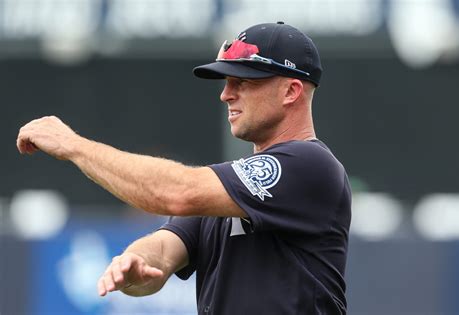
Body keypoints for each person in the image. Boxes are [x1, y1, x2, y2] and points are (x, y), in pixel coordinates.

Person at [17, 22, 351, 314]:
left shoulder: (310, 166)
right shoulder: (230, 186)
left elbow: (177, 193)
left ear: (291, 91)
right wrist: (137, 264)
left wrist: (75, 146)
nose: (226, 94)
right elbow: (164, 248)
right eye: (227, 81)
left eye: (244, 82)